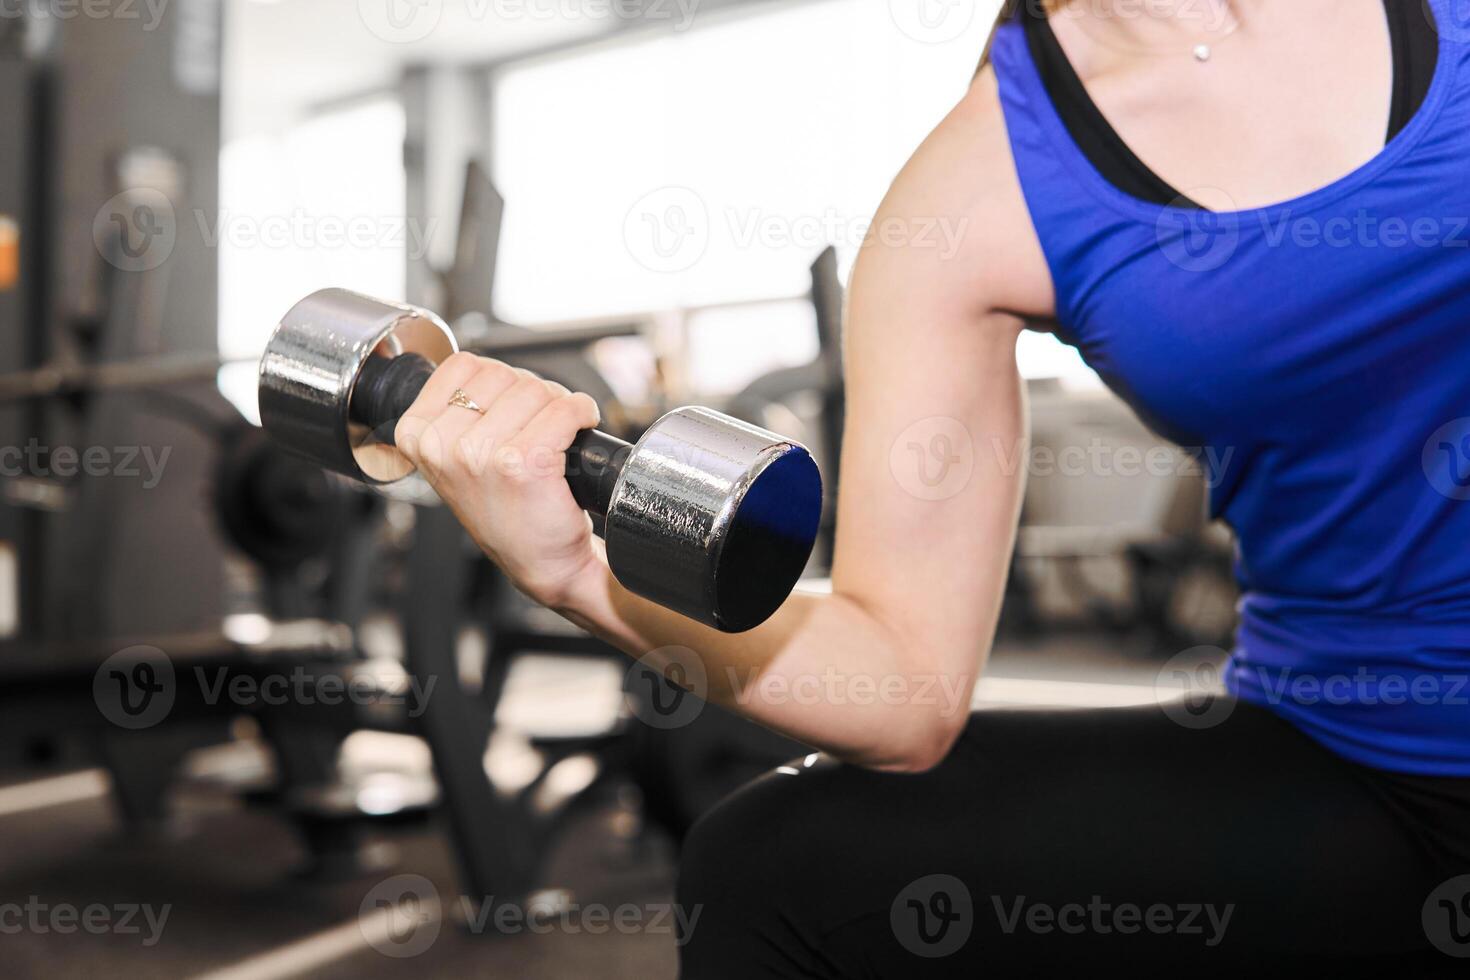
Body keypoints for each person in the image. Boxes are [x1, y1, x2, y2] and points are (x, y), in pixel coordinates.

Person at [391, 0, 1470, 973]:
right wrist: (571, 568)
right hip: (1364, 758)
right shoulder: (977, 188)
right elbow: (901, 687)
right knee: (775, 869)